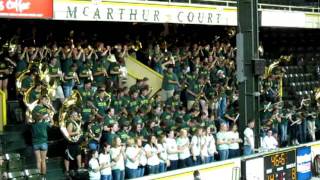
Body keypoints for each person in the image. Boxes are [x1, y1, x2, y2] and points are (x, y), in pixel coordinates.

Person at [30, 96, 53, 178]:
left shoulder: (32, 125)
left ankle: (38, 176)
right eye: (45, 100)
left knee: (38, 160)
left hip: (35, 143)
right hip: (43, 142)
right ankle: (44, 176)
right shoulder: (44, 123)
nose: (46, 101)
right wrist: (49, 117)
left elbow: (33, 118)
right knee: (43, 160)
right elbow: (52, 124)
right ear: (41, 100)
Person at [64, 111, 82, 175]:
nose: (77, 116)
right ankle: (67, 171)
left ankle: (80, 168)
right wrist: (77, 133)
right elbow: (68, 133)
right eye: (75, 115)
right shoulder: (70, 123)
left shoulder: (74, 122)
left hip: (76, 142)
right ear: (71, 116)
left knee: (78, 153)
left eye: (77, 115)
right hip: (71, 143)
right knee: (68, 157)